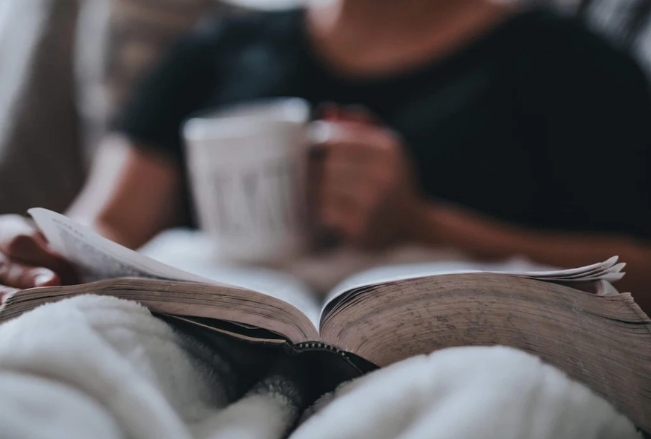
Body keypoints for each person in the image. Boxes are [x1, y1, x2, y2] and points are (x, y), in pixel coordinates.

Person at [1, 0, 651, 311]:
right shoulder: (211, 55)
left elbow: (640, 272)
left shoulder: (567, 64)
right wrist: (30, 251)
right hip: (207, 338)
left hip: (446, 351)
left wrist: (419, 224)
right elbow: (105, 222)